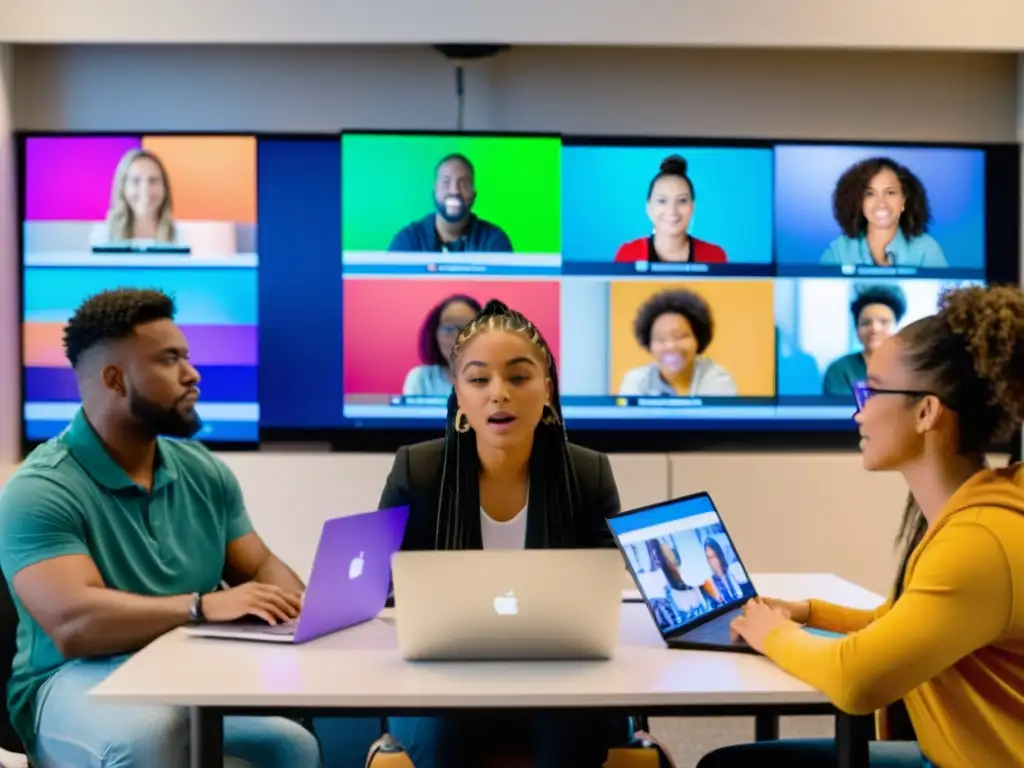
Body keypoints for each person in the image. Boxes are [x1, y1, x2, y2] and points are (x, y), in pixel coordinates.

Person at [700, 284, 1024, 767]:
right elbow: (900, 624)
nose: (858, 410)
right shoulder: (980, 510)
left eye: (871, 390)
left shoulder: (978, 542)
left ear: (926, 411)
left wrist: (770, 633)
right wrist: (806, 612)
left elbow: (856, 681)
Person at [0, 288, 321, 767]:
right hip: (70, 680)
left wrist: (300, 609)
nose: (192, 375)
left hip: (183, 669)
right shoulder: (39, 488)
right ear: (115, 379)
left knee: (291, 744)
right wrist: (202, 606)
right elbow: (75, 624)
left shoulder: (202, 470)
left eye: (187, 357)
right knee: (153, 734)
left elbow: (260, 566)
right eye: (170, 360)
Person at [379, 299, 632, 767]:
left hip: (562, 675)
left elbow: (604, 586)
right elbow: (381, 587)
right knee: (448, 729)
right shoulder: (417, 469)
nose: (499, 394)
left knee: (568, 728)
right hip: (442, 677)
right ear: (457, 391)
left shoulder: (589, 472)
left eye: (519, 377)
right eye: (479, 379)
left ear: (548, 390)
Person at [820, 157, 946, 268]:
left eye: (890, 193)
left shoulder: (926, 250)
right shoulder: (838, 252)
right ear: (859, 202)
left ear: (904, 200)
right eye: (870, 194)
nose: (881, 203)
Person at [618, 289, 737, 397]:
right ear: (649, 344)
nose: (671, 346)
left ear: (698, 339)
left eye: (680, 337)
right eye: (660, 339)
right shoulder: (637, 381)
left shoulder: (717, 379)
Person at [614, 154, 727, 264]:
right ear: (649, 207)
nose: (672, 211)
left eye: (682, 200)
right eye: (662, 201)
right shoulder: (628, 254)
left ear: (693, 207)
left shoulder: (715, 256)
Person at [388, 153, 513, 253]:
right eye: (446, 182)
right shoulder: (408, 240)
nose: (454, 191)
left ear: (474, 195)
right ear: (434, 191)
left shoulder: (493, 241)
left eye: (463, 183)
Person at [822, 284, 907, 397]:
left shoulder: (912, 368)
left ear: (897, 327)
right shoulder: (839, 370)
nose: (874, 329)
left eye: (884, 322)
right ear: (857, 329)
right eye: (866, 323)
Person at [91, 149, 182, 246]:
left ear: (165, 188)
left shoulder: (181, 236)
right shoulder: (103, 236)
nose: (145, 191)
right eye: (135, 181)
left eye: (153, 181)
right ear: (123, 187)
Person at [402, 294, 482, 396]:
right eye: (449, 329)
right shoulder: (421, 379)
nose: (458, 338)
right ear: (435, 334)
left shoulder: (498, 379)